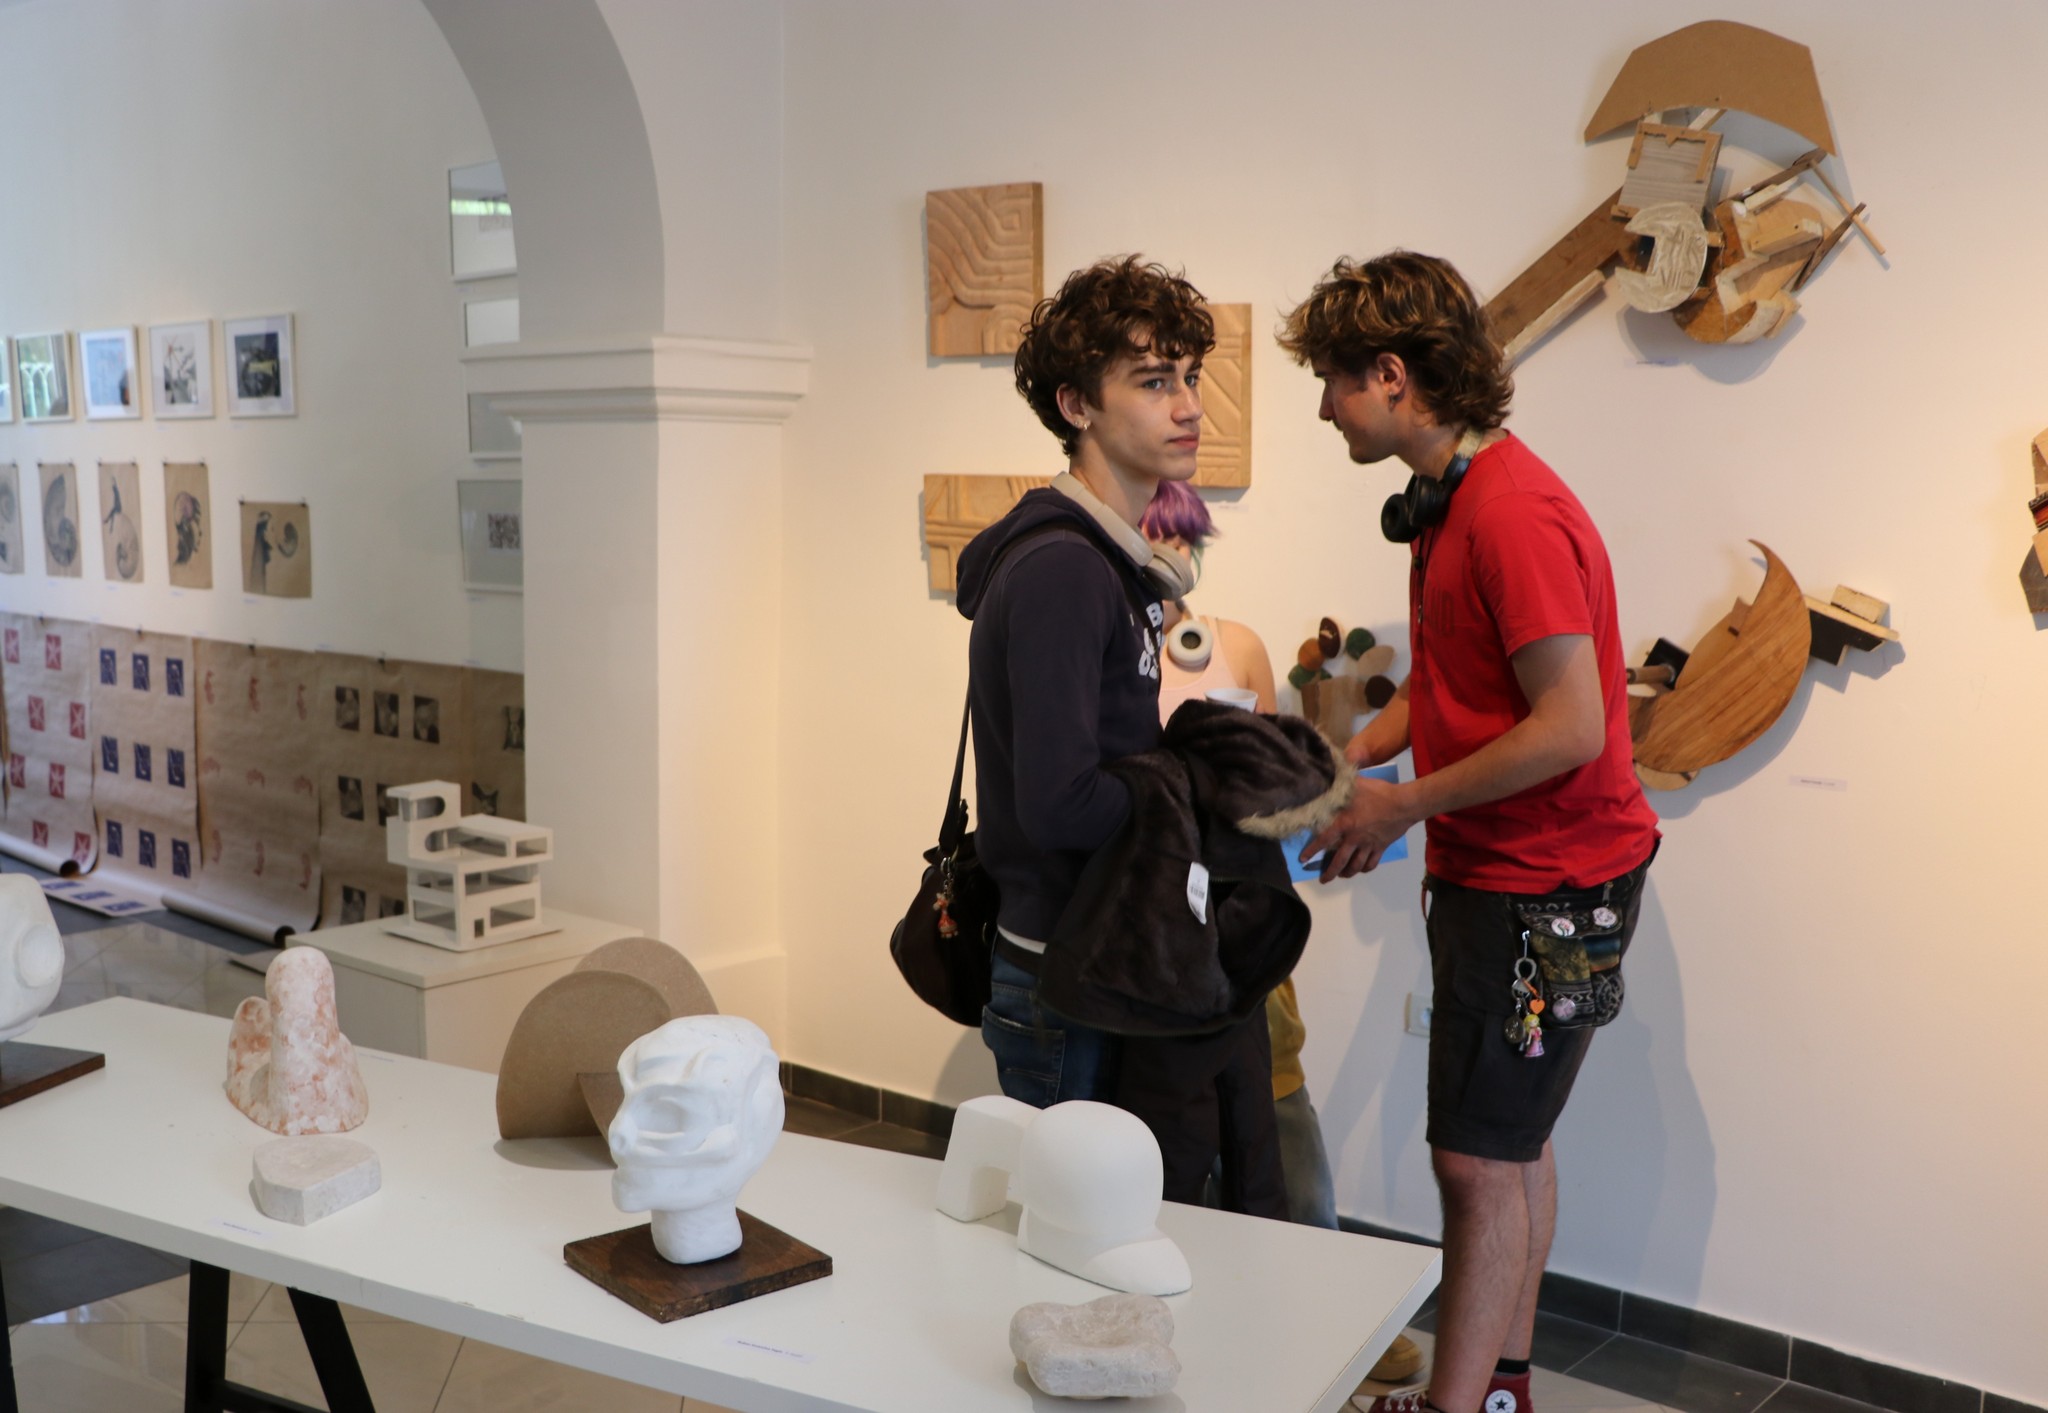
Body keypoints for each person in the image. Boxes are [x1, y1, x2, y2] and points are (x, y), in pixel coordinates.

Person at [1278, 252, 1660, 1413]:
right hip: (1522, 882)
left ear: (1390, 376)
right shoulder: (1444, 504)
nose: (1322, 407)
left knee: (1473, 1160)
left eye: (1333, 381)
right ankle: (1498, 1393)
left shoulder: (1508, 515)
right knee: (1511, 1143)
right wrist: (1355, 754)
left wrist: (1398, 805)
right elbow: (1453, 677)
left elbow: (1569, 727)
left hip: (1544, 893)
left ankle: (1455, 1409)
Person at [953, 255, 1213, 1107]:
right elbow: (1060, 803)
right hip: (1065, 970)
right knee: (1062, 1194)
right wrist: (1184, 803)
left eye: (1190, 376)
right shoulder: (1066, 569)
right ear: (1077, 405)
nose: (1188, 406)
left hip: (1097, 950)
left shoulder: (1109, 561)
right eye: (1154, 381)